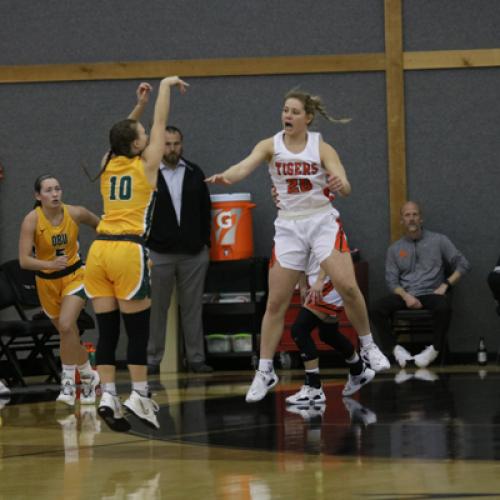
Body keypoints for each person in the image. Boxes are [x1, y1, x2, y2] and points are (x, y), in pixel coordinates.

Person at [206, 89, 390, 403]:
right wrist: (228, 177)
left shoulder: (321, 147)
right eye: (284, 110)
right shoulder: (270, 145)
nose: (287, 116)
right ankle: (265, 370)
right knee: (276, 302)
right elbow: (245, 165)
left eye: (293, 111)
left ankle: (369, 347)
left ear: (307, 117)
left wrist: (339, 184)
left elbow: (345, 185)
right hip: (289, 225)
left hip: (320, 221)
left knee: (347, 286)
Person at [84, 76, 188, 431]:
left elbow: (120, 136)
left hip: (98, 251)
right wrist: (164, 87)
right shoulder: (146, 166)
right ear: (136, 143)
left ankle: (109, 394)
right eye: (141, 133)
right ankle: (141, 394)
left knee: (108, 330)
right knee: (139, 329)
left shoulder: (107, 162)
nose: (148, 134)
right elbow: (161, 123)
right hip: (128, 250)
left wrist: (137, 106)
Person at [19, 174, 100, 406]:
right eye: (48, 190)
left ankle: (67, 383)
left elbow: (100, 226)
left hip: (75, 275)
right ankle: (88, 373)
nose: (55, 194)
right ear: (38, 196)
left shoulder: (75, 213)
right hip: (47, 282)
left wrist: (101, 254)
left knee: (65, 324)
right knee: (69, 333)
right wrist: (48, 265)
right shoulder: (31, 220)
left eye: (57, 189)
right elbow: (24, 260)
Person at [370, 201, 471, 368]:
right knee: (375, 308)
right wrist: (406, 296)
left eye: (415, 214)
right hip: (405, 294)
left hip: (432, 293)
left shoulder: (439, 241)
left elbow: (463, 264)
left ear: (421, 219)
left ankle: (434, 350)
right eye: (407, 215)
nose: (411, 219)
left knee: (444, 307)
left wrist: (446, 284)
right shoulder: (395, 249)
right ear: (402, 220)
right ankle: (395, 349)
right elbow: (391, 281)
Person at [146, 125, 212, 374]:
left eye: (176, 143)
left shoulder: (195, 172)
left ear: (182, 144)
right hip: (159, 252)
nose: (172, 148)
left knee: (193, 308)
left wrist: (206, 244)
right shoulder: (149, 173)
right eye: (167, 143)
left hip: (194, 253)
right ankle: (152, 360)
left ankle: (196, 359)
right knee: (156, 310)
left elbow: (206, 210)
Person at [285, 252, 375, 406]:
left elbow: (329, 253)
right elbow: (300, 257)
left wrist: (320, 280)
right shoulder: (296, 230)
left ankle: (313, 387)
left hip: (328, 283)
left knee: (299, 330)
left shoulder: (326, 229)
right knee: (328, 334)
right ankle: (358, 369)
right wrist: (303, 284)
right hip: (317, 283)